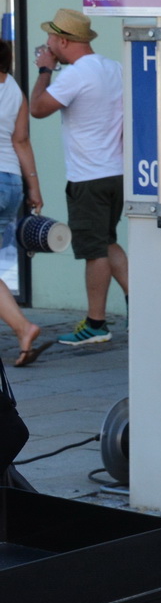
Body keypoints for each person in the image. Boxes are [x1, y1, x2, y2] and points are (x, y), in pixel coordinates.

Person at [29, 8, 127, 347]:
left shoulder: (76, 75)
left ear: (63, 41)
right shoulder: (113, 68)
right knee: (107, 240)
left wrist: (45, 70)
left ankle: (97, 323)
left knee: (93, 249)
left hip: (88, 176)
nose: (46, 45)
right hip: (115, 173)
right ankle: (143, 305)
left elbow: (38, 108)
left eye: (50, 40)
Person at [0, 43, 46, 366]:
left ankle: (23, 326)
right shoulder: (15, 90)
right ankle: (23, 327)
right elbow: (21, 141)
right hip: (11, 182)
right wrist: (35, 189)